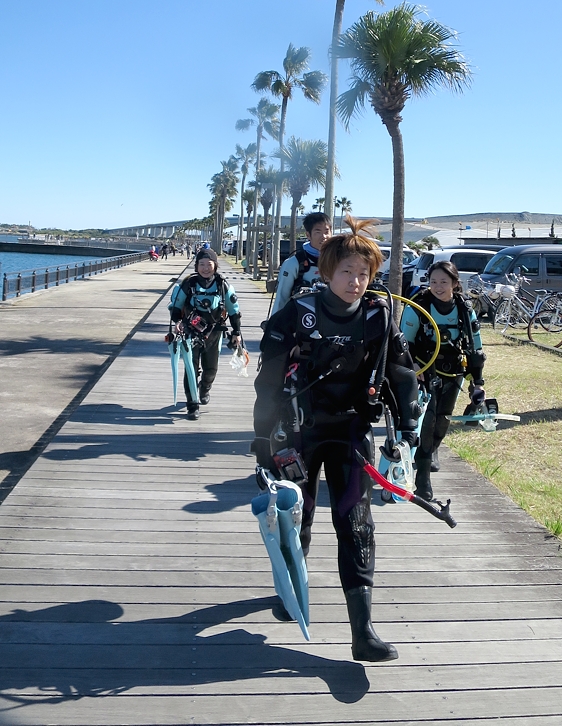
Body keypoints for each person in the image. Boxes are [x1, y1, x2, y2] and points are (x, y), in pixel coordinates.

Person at [252, 217, 419, 662]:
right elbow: (268, 379)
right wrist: (261, 436)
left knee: (356, 524)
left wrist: (407, 429)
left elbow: (402, 377)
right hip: (297, 433)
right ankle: (292, 592)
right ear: (327, 271)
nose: (356, 281)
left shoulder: (377, 318)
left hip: (350, 432)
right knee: (297, 518)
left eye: (364, 273)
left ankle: (362, 631)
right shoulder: (297, 315)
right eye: (347, 271)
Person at [401, 260, 486, 501]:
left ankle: (428, 452)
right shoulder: (419, 307)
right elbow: (403, 344)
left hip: (453, 373)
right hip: (425, 372)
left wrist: (477, 383)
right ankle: (423, 479)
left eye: (444, 282)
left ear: (455, 284)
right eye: (433, 282)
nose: (438, 287)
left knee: (442, 422)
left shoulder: (464, 309)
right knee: (427, 422)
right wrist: (414, 366)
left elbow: (476, 349)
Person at [170, 248, 241, 420]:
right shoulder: (188, 284)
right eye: (201, 264)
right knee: (190, 369)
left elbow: (234, 311)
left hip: (214, 334)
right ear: (196, 266)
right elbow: (176, 307)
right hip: (190, 333)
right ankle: (192, 404)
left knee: (211, 369)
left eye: (208, 264)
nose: (205, 268)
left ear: (215, 266)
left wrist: (237, 332)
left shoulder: (223, 286)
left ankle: (205, 387)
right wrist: (178, 322)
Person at [271, 212, 332, 315]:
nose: (324, 236)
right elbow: (281, 298)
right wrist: (273, 326)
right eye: (318, 232)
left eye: (327, 232)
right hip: (299, 324)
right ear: (308, 235)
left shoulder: (338, 261)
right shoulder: (293, 263)